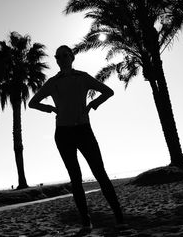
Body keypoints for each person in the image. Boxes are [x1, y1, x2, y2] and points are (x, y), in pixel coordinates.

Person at [29, 45, 123, 229]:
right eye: (58, 57)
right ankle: (86, 222)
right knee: (76, 178)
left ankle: (119, 217)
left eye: (64, 55)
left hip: (83, 130)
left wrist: (92, 105)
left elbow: (108, 91)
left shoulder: (83, 77)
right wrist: (50, 108)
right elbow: (33, 103)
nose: (61, 59)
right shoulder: (53, 82)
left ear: (72, 57)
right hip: (63, 133)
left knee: (100, 173)